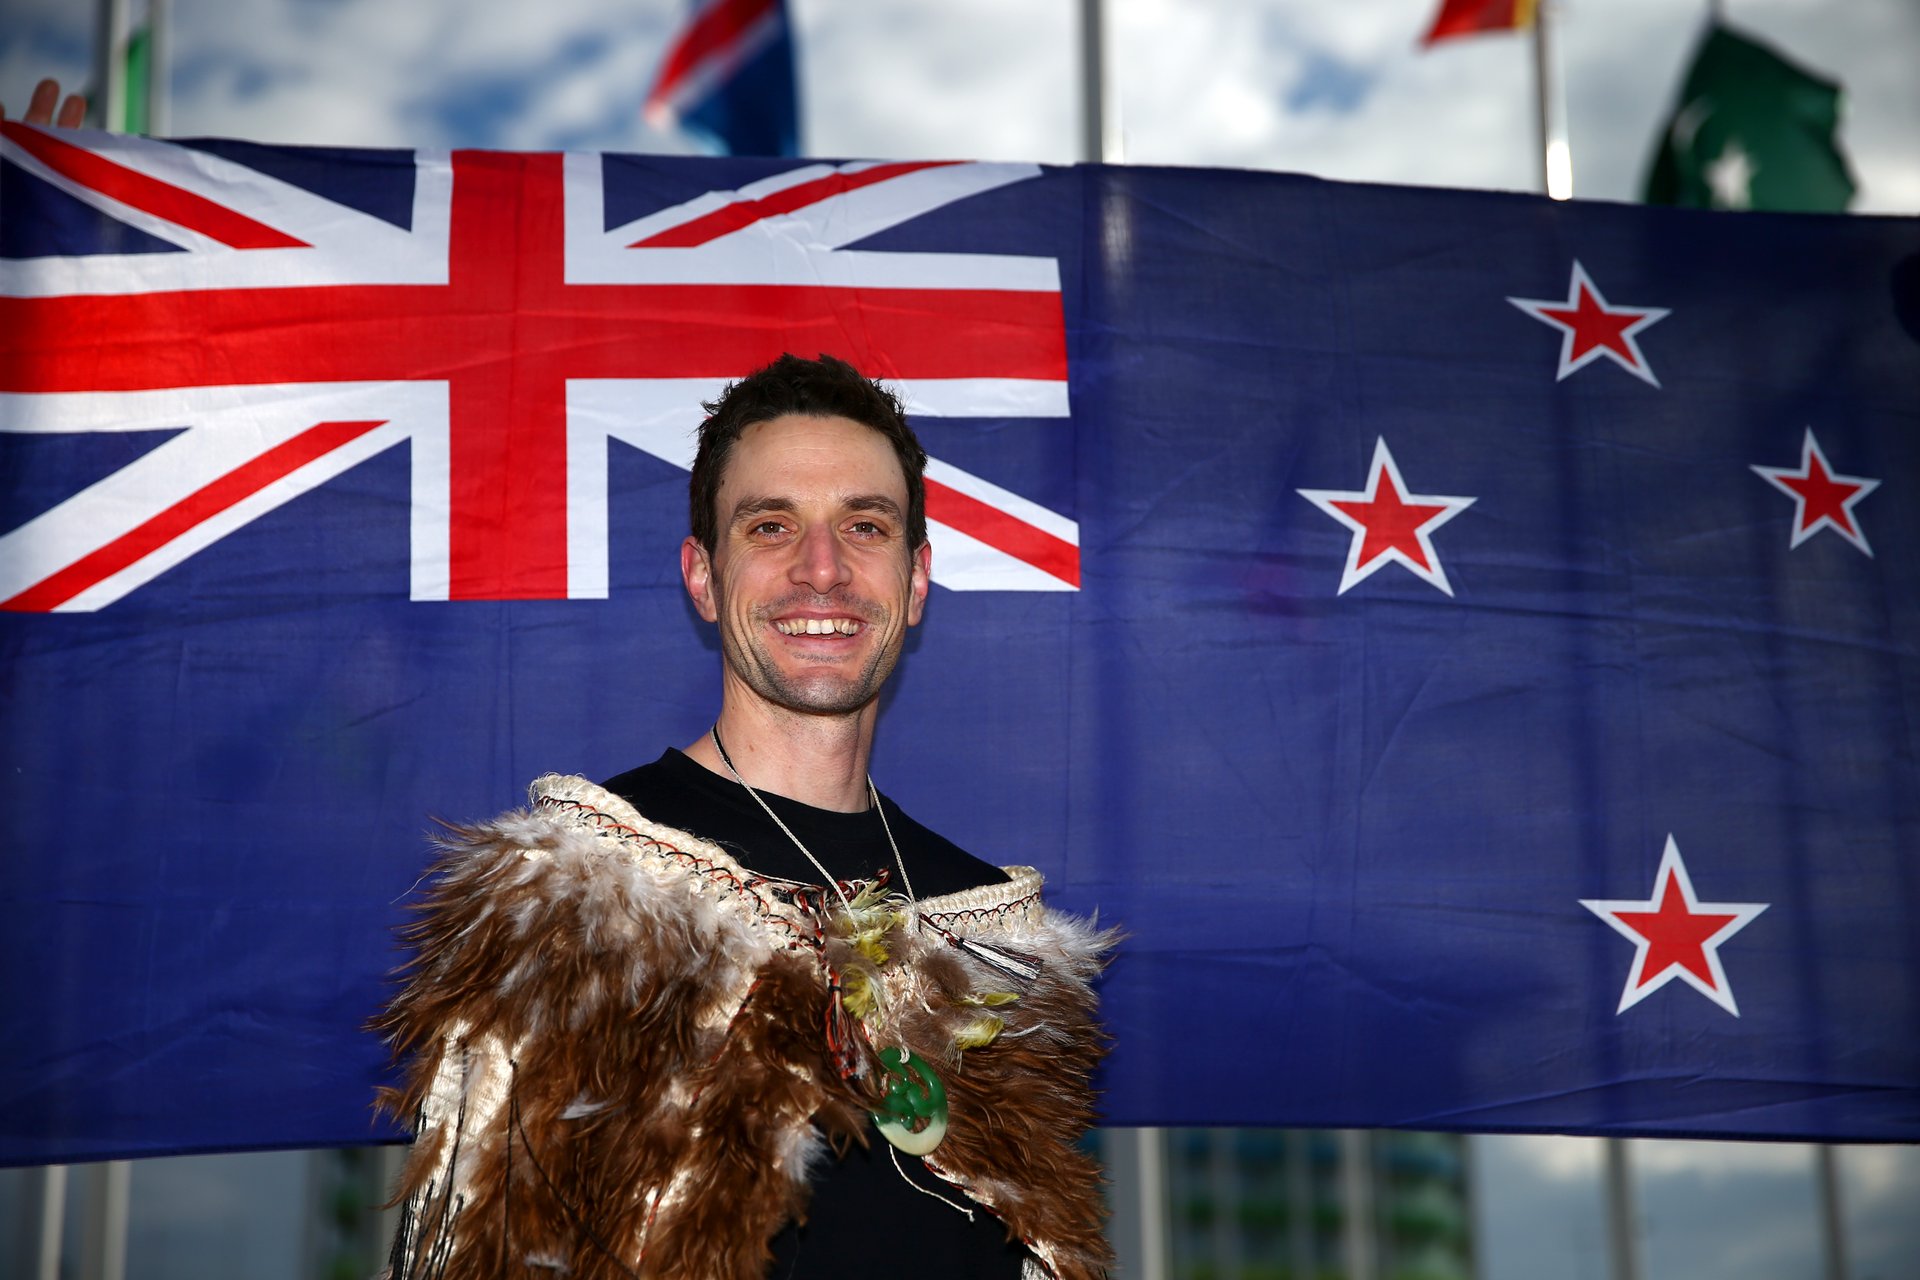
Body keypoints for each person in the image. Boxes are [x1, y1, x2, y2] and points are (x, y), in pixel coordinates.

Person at [376, 354, 1116, 1280]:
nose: (823, 568)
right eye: (772, 526)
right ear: (702, 576)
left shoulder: (999, 939)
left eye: (865, 525)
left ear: (916, 580)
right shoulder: (581, 905)